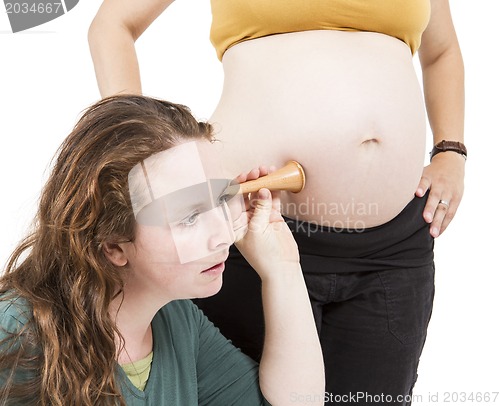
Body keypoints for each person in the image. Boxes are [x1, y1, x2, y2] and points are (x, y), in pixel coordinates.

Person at [88, 1, 465, 403]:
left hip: (391, 247)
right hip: (252, 232)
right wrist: (137, 150)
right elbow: (113, 24)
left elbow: (441, 51)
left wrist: (451, 150)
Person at [0, 95, 324, 405]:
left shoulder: (178, 322)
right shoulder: (16, 331)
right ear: (113, 245)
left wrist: (282, 267)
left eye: (221, 199)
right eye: (190, 216)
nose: (224, 236)